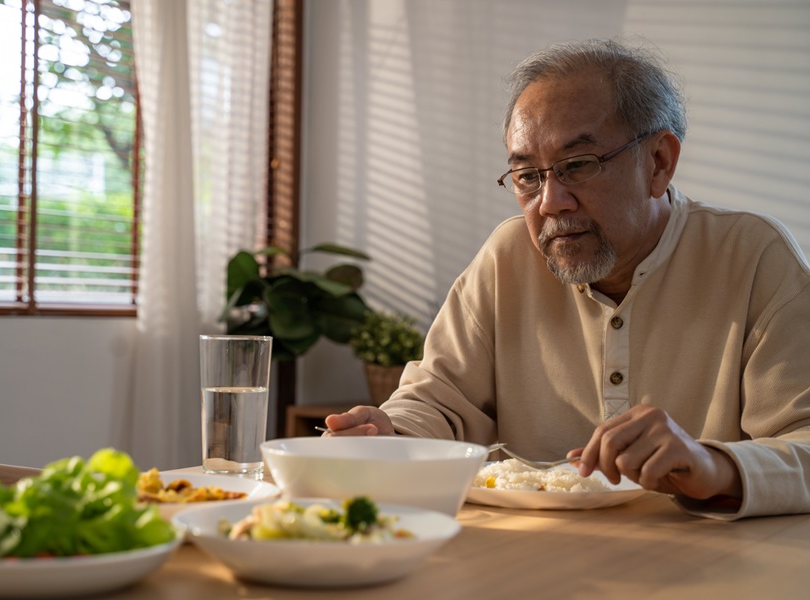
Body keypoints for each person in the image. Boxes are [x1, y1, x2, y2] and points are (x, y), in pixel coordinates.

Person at [324, 38, 810, 520]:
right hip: (533, 560)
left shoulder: (753, 257)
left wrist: (713, 465)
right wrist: (388, 435)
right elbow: (439, 401)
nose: (551, 202)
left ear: (659, 162)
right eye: (528, 176)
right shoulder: (508, 258)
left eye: (577, 166)